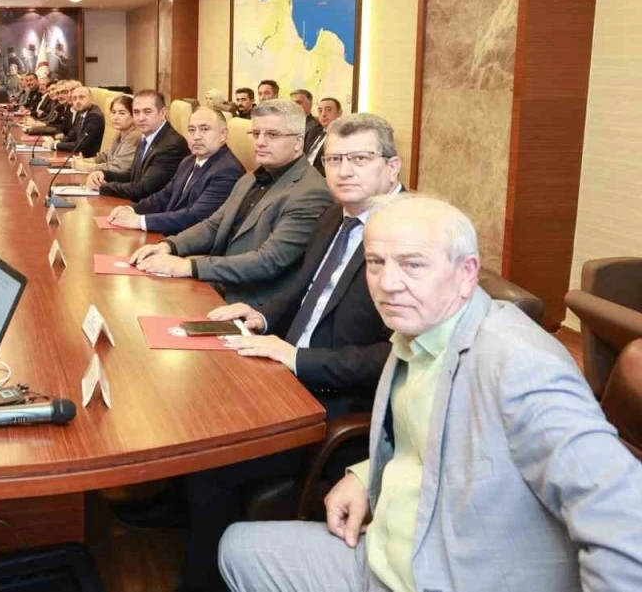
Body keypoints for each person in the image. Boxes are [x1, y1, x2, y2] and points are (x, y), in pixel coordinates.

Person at [218, 195, 642, 592]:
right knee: (237, 548)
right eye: (376, 262)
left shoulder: (522, 365)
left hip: (445, 574)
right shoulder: (417, 331)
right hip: (383, 551)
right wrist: (364, 476)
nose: (387, 283)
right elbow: (428, 440)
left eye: (413, 264)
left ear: (467, 273)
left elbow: (627, 523)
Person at [179, 113, 403, 592]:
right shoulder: (336, 215)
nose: (344, 170)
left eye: (360, 159)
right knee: (192, 400)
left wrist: (296, 359)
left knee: (210, 464)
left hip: (335, 401)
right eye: (335, 159)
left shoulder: (409, 239)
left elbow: (394, 358)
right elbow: (306, 290)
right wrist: (262, 315)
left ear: (392, 167)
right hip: (284, 369)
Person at [130, 99, 331, 308]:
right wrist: (168, 246)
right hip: (219, 283)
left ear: (298, 142)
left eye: (272, 134)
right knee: (141, 297)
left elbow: (268, 261)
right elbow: (214, 225)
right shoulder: (250, 178)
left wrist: (189, 266)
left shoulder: (311, 192)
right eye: (256, 134)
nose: (260, 142)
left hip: (251, 304)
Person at [107, 108, 244, 235]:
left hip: (191, 245)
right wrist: (132, 209)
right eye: (191, 130)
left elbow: (196, 218)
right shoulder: (188, 161)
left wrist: (140, 221)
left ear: (223, 134)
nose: (196, 136)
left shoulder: (228, 171)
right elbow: (165, 196)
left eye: (205, 129)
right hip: (167, 234)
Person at [85, 90, 188, 201]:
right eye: (136, 112)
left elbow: (143, 189)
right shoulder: (147, 137)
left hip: (156, 208)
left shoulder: (170, 145)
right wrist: (104, 175)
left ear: (162, 113)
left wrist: (103, 187)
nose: (140, 118)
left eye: (147, 112)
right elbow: (133, 176)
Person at [73, 95, 141, 175]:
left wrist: (86, 166)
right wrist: (84, 161)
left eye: (122, 113)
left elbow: (119, 167)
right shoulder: (119, 133)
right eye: (113, 112)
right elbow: (105, 156)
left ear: (133, 116)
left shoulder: (135, 136)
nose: (115, 117)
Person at [47, 86, 104, 155]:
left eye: (81, 97)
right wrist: (57, 142)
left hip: (87, 158)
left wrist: (55, 145)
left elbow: (80, 145)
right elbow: (71, 135)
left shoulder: (94, 116)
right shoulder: (82, 112)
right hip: (77, 155)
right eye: (74, 98)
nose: (77, 101)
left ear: (91, 99)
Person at [291, 88, 324, 160]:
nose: (294, 106)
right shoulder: (286, 123)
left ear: (310, 104)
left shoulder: (316, 127)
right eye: (292, 104)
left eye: (298, 103)